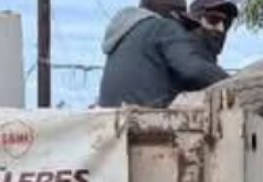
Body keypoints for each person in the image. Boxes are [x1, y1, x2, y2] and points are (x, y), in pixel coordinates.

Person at [97, 0, 231, 109]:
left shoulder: (126, 34)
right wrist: (234, 82)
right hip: (148, 124)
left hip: (112, 120)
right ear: (174, 15)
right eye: (183, 23)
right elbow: (193, 69)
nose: (183, 31)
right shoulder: (163, 27)